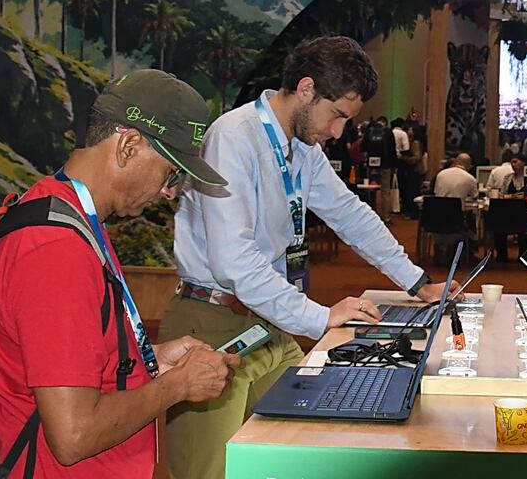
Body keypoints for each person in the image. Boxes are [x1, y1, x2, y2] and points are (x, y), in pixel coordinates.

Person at [161, 36, 456, 479]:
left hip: (270, 323)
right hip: (213, 321)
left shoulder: (302, 148)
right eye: (336, 115)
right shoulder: (234, 138)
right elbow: (234, 263)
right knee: (209, 472)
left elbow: (350, 216)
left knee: (298, 450)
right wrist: (318, 317)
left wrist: (416, 282)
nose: (339, 132)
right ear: (305, 89)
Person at [0, 69, 242, 477]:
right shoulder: (56, 250)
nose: (171, 190)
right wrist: (176, 386)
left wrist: (145, 359)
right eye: (172, 172)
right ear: (129, 145)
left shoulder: (61, 211)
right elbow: (74, 435)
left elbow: (61, 354)